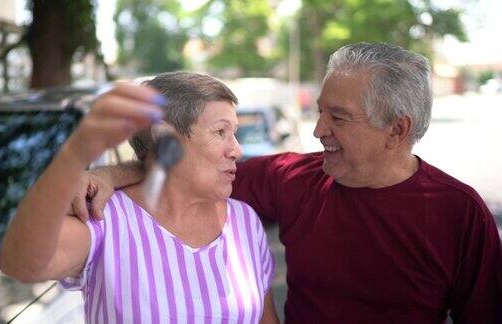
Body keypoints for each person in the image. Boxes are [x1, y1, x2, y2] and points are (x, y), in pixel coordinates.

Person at [70, 43, 502, 323]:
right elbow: (191, 169)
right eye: (320, 111)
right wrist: (113, 173)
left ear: (397, 129)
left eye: (339, 117)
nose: (318, 130)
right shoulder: (294, 179)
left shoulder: (458, 214)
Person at [0, 72, 279, 323]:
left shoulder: (244, 220)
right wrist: (75, 155)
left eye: (235, 133)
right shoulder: (105, 219)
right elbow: (21, 264)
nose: (237, 150)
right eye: (221, 132)